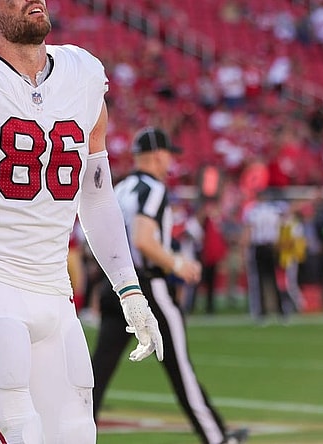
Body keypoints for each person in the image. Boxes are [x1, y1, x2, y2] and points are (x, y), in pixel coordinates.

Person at [0, 1, 165, 442]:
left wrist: (129, 290)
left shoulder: (82, 75)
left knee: (77, 434)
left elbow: (96, 198)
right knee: (21, 435)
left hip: (55, 289)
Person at [91, 128, 248, 444]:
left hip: (116, 285)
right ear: (159, 155)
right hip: (149, 289)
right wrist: (177, 263)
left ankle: (73, 434)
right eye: (168, 155)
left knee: (97, 376)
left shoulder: (120, 189)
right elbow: (143, 238)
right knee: (182, 373)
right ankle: (218, 439)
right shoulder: (154, 189)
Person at [242, 188, 289, 322]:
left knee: (260, 280)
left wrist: (244, 249)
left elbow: (248, 231)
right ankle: (280, 311)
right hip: (271, 246)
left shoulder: (253, 211)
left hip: (260, 246)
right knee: (274, 280)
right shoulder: (274, 209)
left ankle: (262, 312)